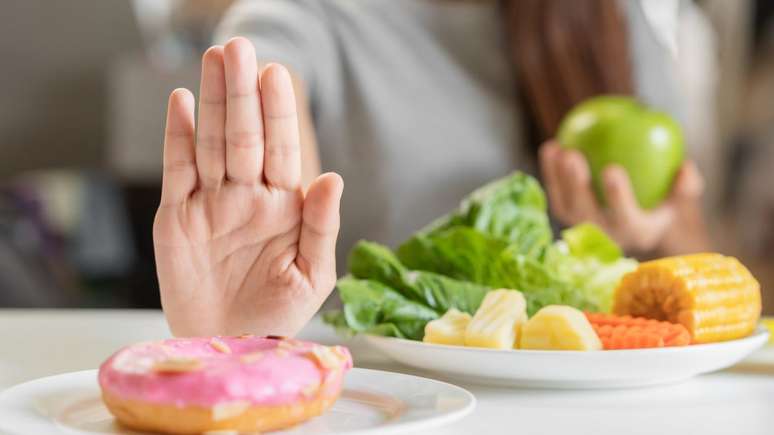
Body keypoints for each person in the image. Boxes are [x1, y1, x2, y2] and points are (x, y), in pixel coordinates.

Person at [155, 0, 715, 337]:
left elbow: (696, 259)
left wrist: (656, 233)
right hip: (395, 403)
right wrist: (243, 331)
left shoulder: (612, 21)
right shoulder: (310, 15)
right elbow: (266, 79)